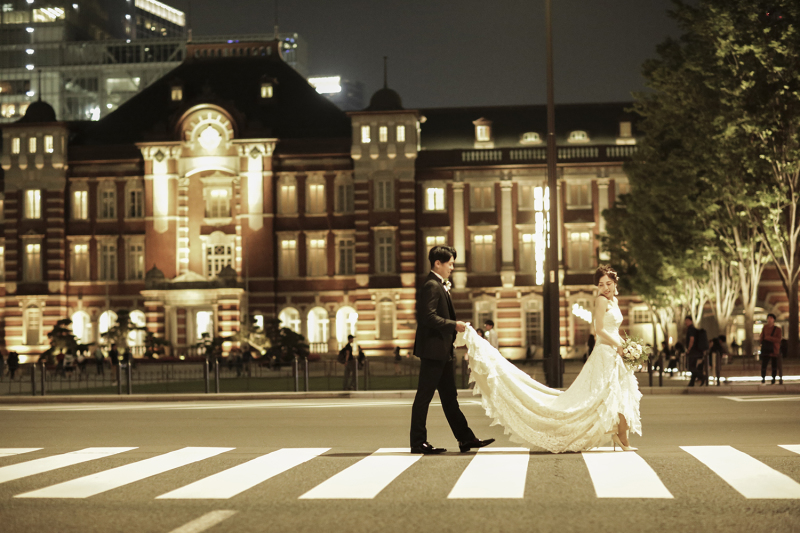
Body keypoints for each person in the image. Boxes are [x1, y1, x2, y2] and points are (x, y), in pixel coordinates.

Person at [460, 265, 642, 453]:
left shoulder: (615, 301)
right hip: (604, 353)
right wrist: (619, 345)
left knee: (620, 393)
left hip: (614, 352)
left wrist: (627, 346)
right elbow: (600, 331)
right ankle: (621, 437)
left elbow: (613, 330)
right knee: (597, 397)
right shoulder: (601, 301)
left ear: (615, 283)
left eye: (609, 284)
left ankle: (622, 436)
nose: (605, 288)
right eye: (601, 284)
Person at [410, 245, 494, 454]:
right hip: (433, 351)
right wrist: (453, 325)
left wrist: (453, 326)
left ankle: (465, 439)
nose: (453, 268)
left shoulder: (439, 285)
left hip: (442, 351)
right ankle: (417, 442)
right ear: (437, 263)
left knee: (449, 398)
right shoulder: (431, 285)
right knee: (424, 397)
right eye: (450, 263)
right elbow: (426, 317)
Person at [760, 313, 782, 385]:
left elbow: (778, 339)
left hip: (774, 350)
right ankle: (763, 379)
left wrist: (769, 338)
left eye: (771, 318)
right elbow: (762, 337)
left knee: (774, 365)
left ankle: (773, 380)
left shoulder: (778, 329)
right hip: (766, 349)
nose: (769, 320)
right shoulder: (765, 327)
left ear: (774, 320)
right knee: (764, 365)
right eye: (768, 318)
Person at [685, 316, 704, 387]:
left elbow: (691, 339)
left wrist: (689, 349)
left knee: (690, 367)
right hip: (697, 351)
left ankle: (701, 377)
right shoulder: (694, 329)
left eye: (687, 320)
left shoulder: (691, 329)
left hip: (693, 351)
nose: (685, 322)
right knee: (692, 367)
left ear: (690, 321)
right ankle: (692, 382)